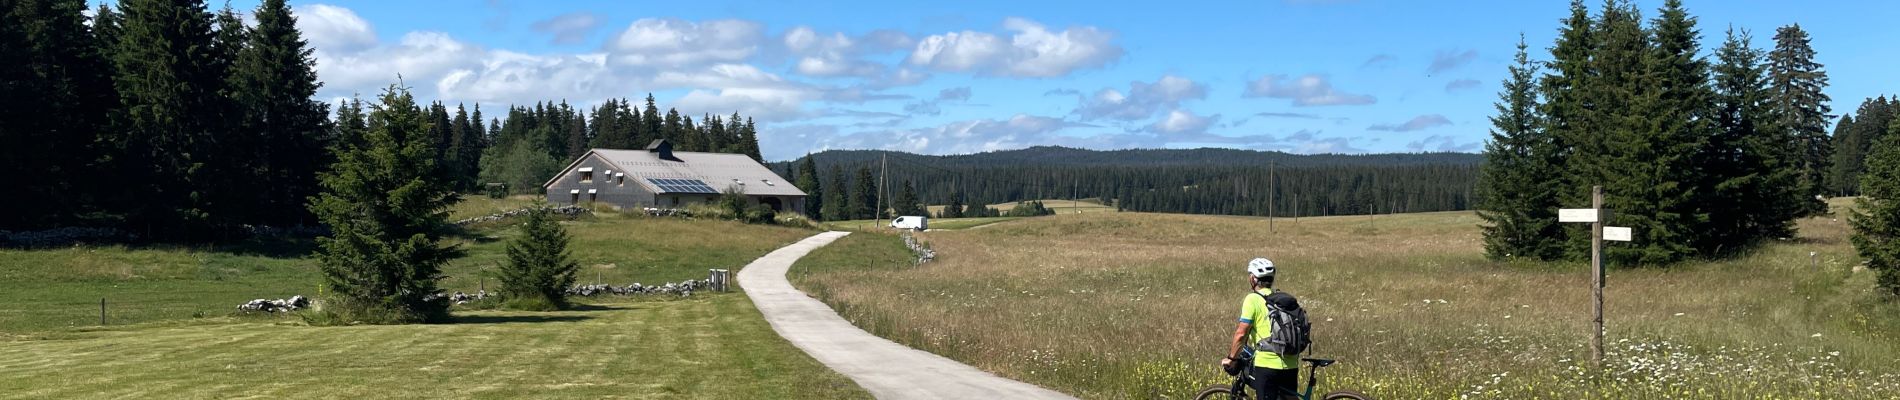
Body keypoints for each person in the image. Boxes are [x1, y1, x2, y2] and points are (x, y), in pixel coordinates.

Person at [1221, 257, 1298, 399]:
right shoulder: (1282, 299)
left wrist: (1232, 358)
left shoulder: (1253, 299)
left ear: (1253, 279)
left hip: (1267, 365)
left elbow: (1241, 333)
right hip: (1291, 363)